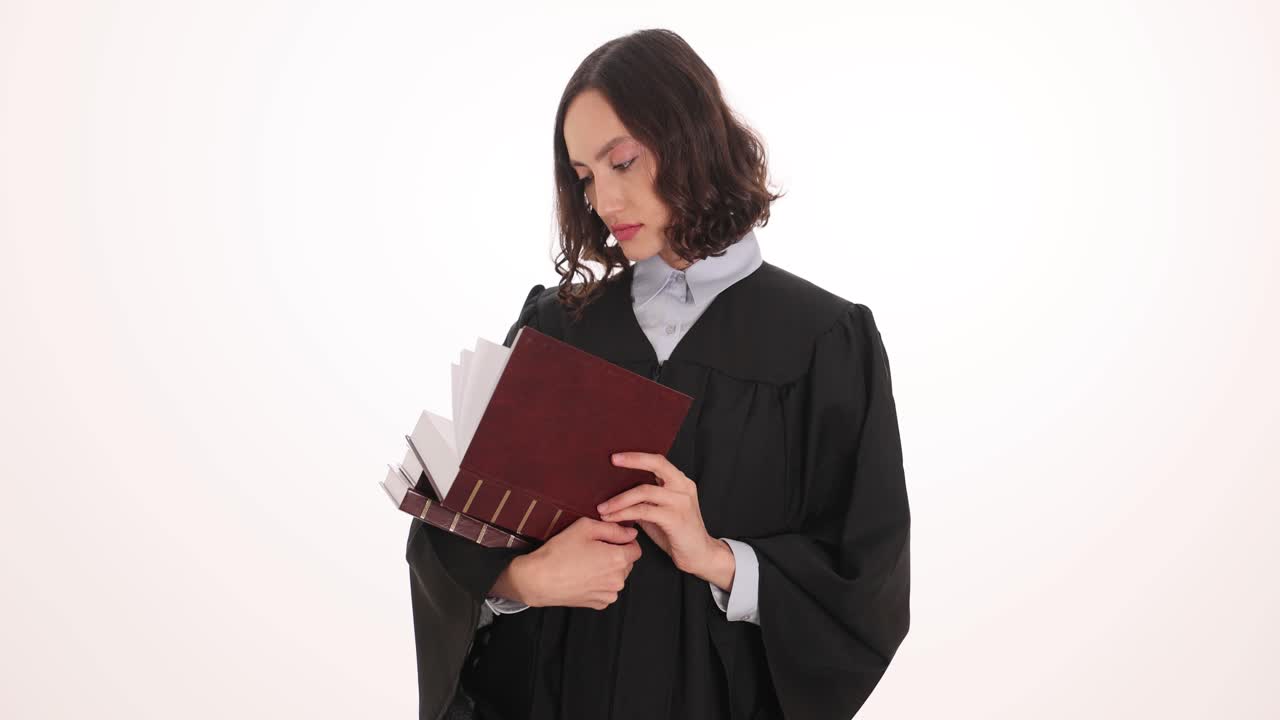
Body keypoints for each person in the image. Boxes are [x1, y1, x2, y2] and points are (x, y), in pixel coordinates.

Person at [405, 28, 910, 720]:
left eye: (622, 162)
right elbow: (448, 532)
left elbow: (867, 578)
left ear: (691, 140)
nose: (603, 202)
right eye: (584, 177)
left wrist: (718, 558)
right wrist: (525, 578)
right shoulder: (557, 328)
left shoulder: (825, 340)